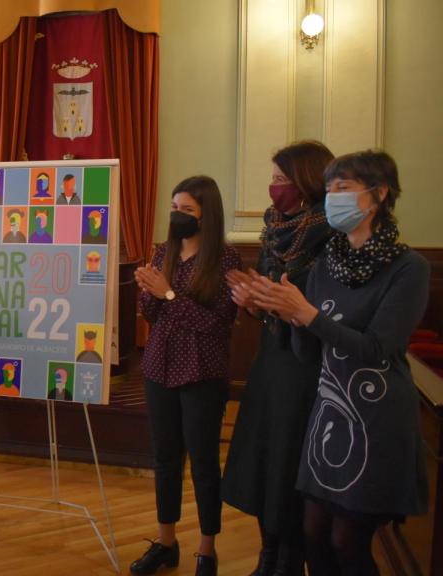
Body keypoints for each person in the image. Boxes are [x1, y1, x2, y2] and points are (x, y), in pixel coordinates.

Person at [248, 151, 429, 576]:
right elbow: (307, 352)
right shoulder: (326, 261)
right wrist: (286, 314)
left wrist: (309, 315)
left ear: (379, 193)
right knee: (314, 533)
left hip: (378, 419)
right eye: (328, 190)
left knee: (348, 540)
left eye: (343, 188)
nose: (332, 198)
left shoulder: (409, 268)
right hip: (329, 413)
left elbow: (376, 348)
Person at [221, 141, 334, 576]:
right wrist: (251, 301)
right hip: (271, 362)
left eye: (280, 179)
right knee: (264, 462)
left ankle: (288, 562)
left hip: (307, 367)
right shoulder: (275, 228)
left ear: (307, 182)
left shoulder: (330, 236)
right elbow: (272, 298)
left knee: (289, 466)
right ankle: (267, 557)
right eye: (271, 178)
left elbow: (319, 308)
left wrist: (281, 304)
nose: (272, 188)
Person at [132, 175, 240, 576]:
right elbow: (152, 314)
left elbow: (216, 325)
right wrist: (149, 292)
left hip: (202, 372)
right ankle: (165, 543)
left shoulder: (225, 260)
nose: (178, 216)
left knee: (204, 463)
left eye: (187, 211)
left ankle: (207, 549)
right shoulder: (165, 252)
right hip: (159, 368)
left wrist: (168, 294)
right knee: (165, 459)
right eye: (175, 208)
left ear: (206, 215)